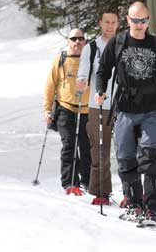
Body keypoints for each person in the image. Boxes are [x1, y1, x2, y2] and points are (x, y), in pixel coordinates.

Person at [95, 1, 156, 225]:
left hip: (151, 110)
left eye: (143, 20)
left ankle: (152, 210)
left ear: (148, 21)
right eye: (135, 20)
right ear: (128, 20)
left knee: (151, 159)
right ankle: (134, 205)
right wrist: (100, 90)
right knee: (126, 160)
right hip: (124, 109)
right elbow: (103, 69)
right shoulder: (118, 42)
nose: (139, 24)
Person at [76, 12, 119, 205]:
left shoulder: (124, 44)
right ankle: (101, 192)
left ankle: (131, 193)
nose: (110, 26)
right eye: (106, 22)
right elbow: (83, 73)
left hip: (123, 104)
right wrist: (82, 82)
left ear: (118, 24)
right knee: (100, 150)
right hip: (98, 106)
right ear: (100, 23)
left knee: (127, 150)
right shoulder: (91, 48)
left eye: (113, 22)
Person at [44, 28, 91, 196]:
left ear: (85, 41)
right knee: (69, 144)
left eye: (80, 38)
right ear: (68, 41)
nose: (77, 42)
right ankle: (70, 183)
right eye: (73, 39)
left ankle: (88, 181)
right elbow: (50, 86)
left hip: (86, 110)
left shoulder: (90, 59)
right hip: (66, 108)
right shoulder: (60, 59)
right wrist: (47, 110)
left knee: (86, 147)